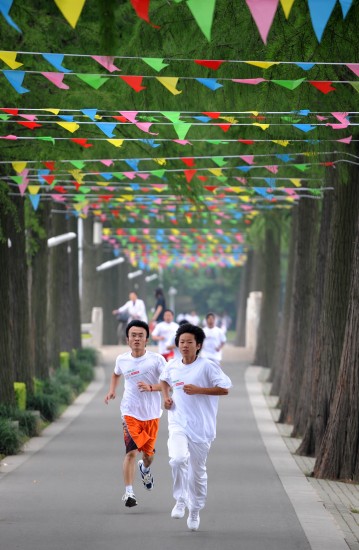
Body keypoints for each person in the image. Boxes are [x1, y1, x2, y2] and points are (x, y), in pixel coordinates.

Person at [160, 323, 232, 531]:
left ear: (198, 345)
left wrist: (200, 390)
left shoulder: (207, 366)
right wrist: (166, 398)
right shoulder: (172, 365)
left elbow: (225, 389)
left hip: (201, 427)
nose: (184, 345)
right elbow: (164, 381)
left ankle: (195, 510)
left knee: (197, 472)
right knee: (178, 459)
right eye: (181, 342)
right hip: (178, 422)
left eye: (189, 342)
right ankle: (180, 500)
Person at [104, 320, 166, 508]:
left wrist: (151, 387)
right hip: (129, 412)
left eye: (140, 335)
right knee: (131, 452)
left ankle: (145, 469)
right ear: (127, 339)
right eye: (133, 335)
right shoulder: (122, 359)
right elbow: (115, 374)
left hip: (152, 414)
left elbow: (167, 383)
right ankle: (129, 493)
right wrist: (112, 390)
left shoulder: (157, 360)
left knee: (148, 455)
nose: (137, 338)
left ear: (147, 339)